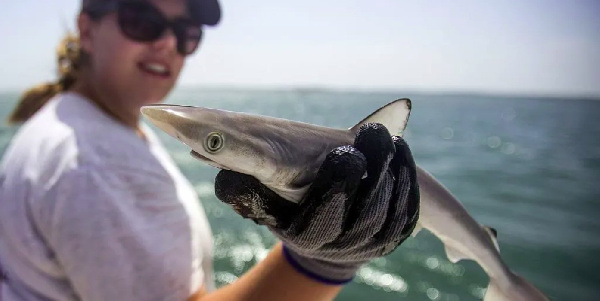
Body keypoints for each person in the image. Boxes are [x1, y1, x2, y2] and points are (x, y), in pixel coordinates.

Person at [0, 0, 420, 300]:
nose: (167, 43)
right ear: (87, 30)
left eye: (186, 33)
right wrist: (326, 262)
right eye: (142, 20)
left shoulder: (75, 121)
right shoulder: (95, 165)